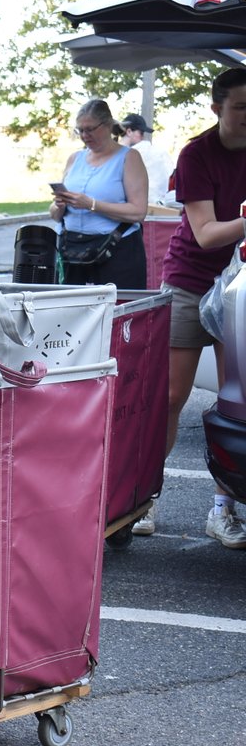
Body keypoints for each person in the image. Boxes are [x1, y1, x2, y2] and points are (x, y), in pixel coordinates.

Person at [141, 68, 246, 546]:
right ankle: (145, 499)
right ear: (217, 108)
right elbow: (205, 234)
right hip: (190, 280)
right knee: (169, 398)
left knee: (235, 402)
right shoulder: (196, 154)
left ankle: (223, 509)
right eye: (241, 108)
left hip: (239, 287)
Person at [48, 99, 148, 290]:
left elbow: (138, 212)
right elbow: (54, 213)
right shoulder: (74, 158)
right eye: (80, 130)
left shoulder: (129, 157)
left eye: (90, 129)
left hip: (116, 253)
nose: (85, 135)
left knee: (116, 314)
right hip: (72, 253)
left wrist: (91, 204)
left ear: (108, 125)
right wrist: (59, 206)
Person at [121, 112, 175, 205]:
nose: (142, 136)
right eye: (140, 133)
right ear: (129, 132)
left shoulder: (131, 153)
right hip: (160, 204)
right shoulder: (158, 151)